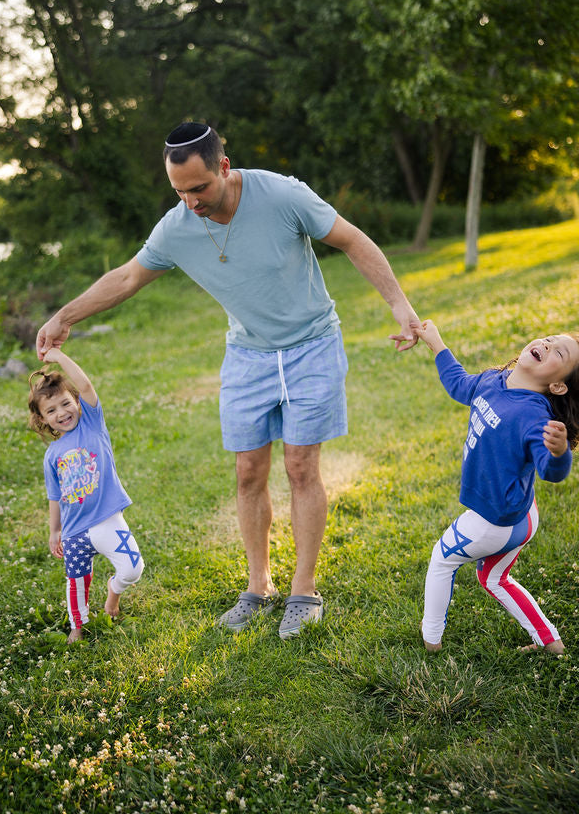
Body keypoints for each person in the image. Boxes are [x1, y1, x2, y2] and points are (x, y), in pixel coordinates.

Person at [36, 122, 419, 639]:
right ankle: (257, 588)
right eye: (179, 191)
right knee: (247, 472)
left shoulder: (281, 194)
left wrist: (400, 306)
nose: (191, 201)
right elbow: (127, 276)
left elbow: (352, 240)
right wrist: (66, 316)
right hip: (248, 355)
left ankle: (303, 593)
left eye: (199, 188)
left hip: (312, 344)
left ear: (223, 166)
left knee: (301, 466)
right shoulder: (177, 228)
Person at [413, 319, 579, 654]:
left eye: (558, 352)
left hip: (496, 522)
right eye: (548, 339)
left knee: (441, 559)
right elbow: (460, 385)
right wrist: (437, 344)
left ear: (558, 386)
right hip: (523, 512)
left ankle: (430, 642)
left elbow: (550, 471)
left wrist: (560, 453)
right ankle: (551, 643)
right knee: (493, 578)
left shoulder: (534, 418)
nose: (546, 344)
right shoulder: (493, 380)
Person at [28, 348, 144, 643]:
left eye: (66, 404)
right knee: (76, 582)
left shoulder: (93, 424)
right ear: (43, 419)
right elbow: (55, 496)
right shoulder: (52, 454)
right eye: (51, 411)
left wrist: (57, 356)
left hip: (107, 520)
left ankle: (113, 595)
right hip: (74, 530)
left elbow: (87, 385)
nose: (61, 413)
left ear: (77, 402)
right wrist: (55, 531)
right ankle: (77, 626)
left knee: (133, 570)